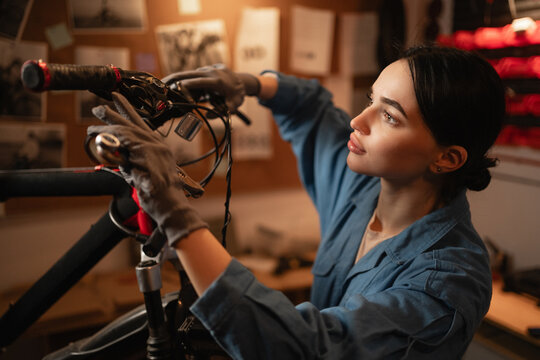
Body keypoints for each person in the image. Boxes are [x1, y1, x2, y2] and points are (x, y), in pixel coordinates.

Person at [88, 44, 505, 359]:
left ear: (447, 158)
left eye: (390, 116)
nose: (359, 122)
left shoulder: (447, 283)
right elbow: (311, 110)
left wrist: (172, 210)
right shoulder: (360, 190)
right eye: (369, 101)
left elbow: (309, 348)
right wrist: (250, 84)